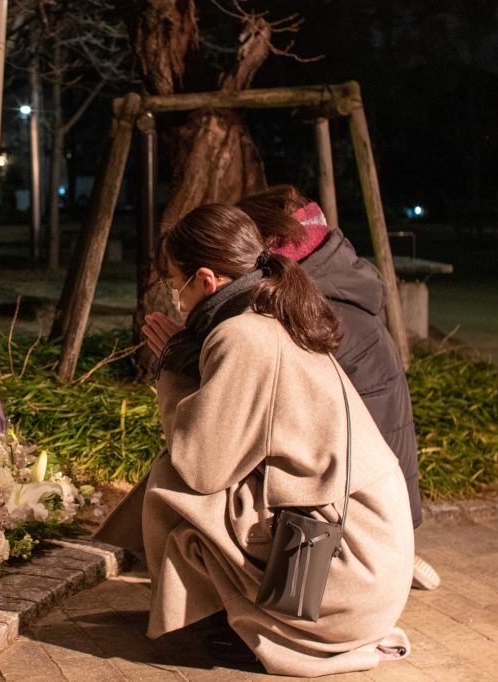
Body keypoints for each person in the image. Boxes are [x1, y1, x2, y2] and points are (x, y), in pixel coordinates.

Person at [108, 204, 414, 676]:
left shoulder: (244, 335)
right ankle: (212, 611)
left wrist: (171, 364)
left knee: (174, 483)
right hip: (368, 548)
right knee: (201, 492)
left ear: (206, 280)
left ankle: (230, 622)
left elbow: (200, 465)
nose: (175, 297)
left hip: (339, 571)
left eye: (173, 283)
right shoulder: (270, 311)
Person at [236, 185, 439, 591]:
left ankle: (375, 558)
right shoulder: (338, 282)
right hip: (386, 496)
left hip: (352, 505)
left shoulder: (311, 309)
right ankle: (391, 549)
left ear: (270, 242)